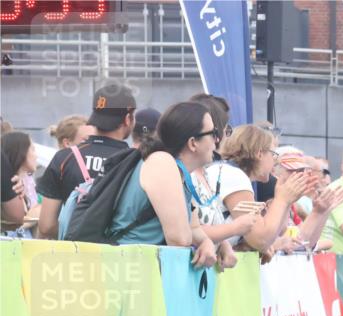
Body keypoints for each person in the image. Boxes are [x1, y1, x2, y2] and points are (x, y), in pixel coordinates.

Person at [107, 101, 218, 269]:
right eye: (213, 133)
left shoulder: (178, 171)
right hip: (126, 270)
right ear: (193, 143)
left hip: (137, 269)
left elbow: (194, 228)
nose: (217, 139)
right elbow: (180, 239)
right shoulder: (162, 162)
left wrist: (209, 243)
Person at [206, 125, 337, 256]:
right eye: (273, 154)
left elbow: (273, 236)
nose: (274, 161)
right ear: (259, 154)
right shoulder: (234, 176)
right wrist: (282, 200)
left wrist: (286, 200)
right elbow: (261, 240)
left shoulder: (228, 172)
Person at [36, 83, 136, 239]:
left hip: (73, 257)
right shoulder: (136, 162)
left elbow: (46, 226)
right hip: (120, 258)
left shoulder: (64, 158)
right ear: (128, 119)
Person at [0, 132, 40, 226]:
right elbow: (17, 220)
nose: (36, 156)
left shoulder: (27, 184)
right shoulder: (11, 184)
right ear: (21, 152)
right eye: (32, 150)